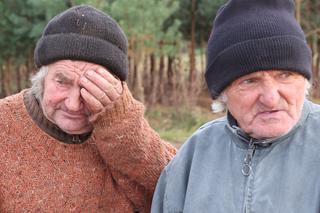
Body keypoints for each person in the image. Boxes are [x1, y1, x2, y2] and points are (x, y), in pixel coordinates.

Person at [0, 5, 176, 212]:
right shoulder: (4, 125)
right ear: (42, 78)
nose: (73, 105)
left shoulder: (127, 131)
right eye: (62, 82)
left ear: (115, 89)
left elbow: (175, 194)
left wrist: (121, 125)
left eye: (90, 87)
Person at [151, 0, 320, 212]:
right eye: (249, 81)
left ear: (304, 81)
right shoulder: (195, 156)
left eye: (285, 75)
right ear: (223, 94)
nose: (270, 98)